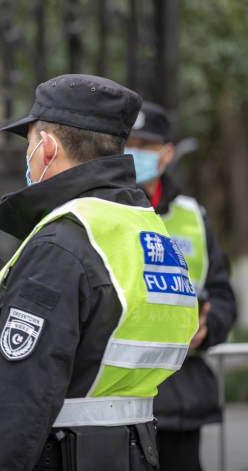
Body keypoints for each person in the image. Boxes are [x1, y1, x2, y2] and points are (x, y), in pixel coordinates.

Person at [0, 74, 200, 470]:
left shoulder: (63, 243)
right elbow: (75, 324)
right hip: (130, 454)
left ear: (47, 147)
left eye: (28, 141)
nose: (26, 153)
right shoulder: (143, 227)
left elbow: (14, 408)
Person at [126, 102, 236, 471]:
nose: (134, 153)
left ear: (167, 153)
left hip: (178, 402)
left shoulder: (192, 215)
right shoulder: (95, 209)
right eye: (129, 143)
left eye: (145, 144)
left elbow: (223, 295)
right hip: (113, 401)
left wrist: (206, 329)